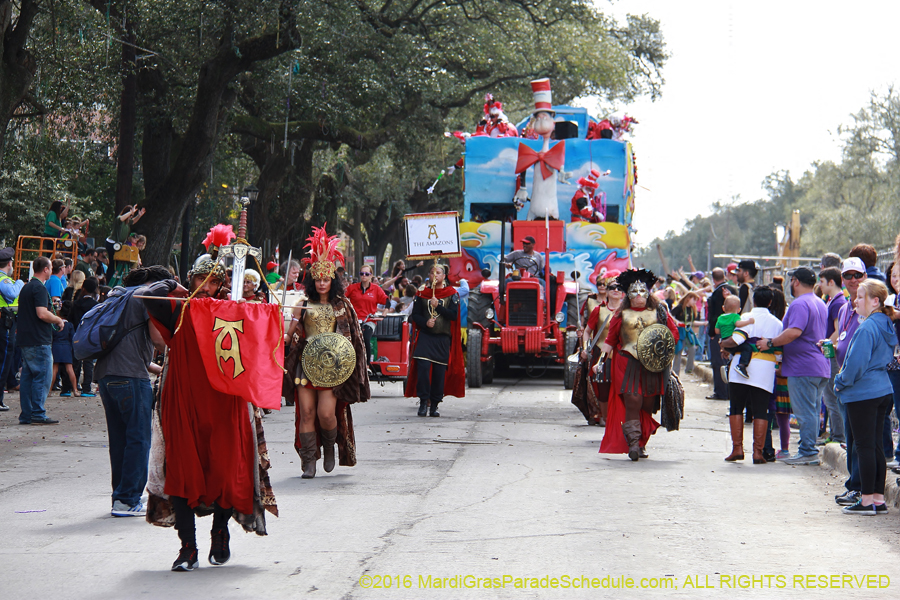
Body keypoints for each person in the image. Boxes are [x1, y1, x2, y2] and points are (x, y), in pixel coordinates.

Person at [141, 256, 278, 571]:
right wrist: (175, 286)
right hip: (182, 400)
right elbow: (152, 294)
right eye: (199, 279)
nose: (205, 286)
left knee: (225, 469)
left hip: (225, 402)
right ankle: (187, 547)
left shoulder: (235, 311)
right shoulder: (179, 307)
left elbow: (262, 339)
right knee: (181, 469)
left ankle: (220, 530)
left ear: (222, 285)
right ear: (190, 281)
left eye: (213, 281)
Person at [284, 226, 369, 479]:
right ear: (312, 281)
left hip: (332, 366)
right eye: (318, 279)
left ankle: (330, 445)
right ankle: (309, 461)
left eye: (326, 279)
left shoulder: (342, 306)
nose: (322, 283)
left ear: (332, 281)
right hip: (304, 364)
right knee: (307, 413)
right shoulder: (301, 304)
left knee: (326, 414)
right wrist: (284, 334)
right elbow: (290, 337)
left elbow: (354, 340)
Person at [95, 267, 170, 517]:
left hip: (107, 376)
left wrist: (162, 370)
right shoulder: (147, 296)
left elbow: (131, 347)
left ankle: (120, 498)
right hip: (131, 378)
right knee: (138, 439)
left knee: (120, 440)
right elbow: (158, 340)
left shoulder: (119, 296)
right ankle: (128, 500)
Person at [597, 269, 678, 461]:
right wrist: (600, 362)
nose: (639, 296)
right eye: (634, 292)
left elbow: (672, 334)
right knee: (633, 400)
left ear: (648, 293)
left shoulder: (659, 312)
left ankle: (642, 442)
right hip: (627, 362)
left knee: (647, 404)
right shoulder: (621, 314)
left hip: (652, 365)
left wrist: (664, 352)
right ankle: (633, 443)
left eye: (643, 291)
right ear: (628, 294)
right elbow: (610, 340)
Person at [833, 279, 898, 515]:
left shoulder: (868, 326)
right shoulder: (884, 323)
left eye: (860, 297)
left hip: (863, 393)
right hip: (882, 390)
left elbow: (855, 366)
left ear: (875, 301)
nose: (855, 300)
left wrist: (839, 382)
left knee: (864, 447)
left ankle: (867, 500)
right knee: (875, 447)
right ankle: (877, 499)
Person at [758, 267, 830, 465]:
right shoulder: (820, 303)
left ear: (796, 281)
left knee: (805, 412)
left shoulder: (799, 304)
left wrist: (770, 342)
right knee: (812, 411)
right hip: (818, 366)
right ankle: (808, 448)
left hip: (803, 367)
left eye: (792, 281)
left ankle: (807, 451)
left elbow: (794, 332)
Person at [721, 287, 783, 463]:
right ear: (770, 302)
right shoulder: (777, 323)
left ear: (753, 301)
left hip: (741, 366)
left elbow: (736, 340)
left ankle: (737, 449)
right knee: (761, 411)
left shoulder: (745, 317)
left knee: (736, 407)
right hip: (765, 368)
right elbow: (779, 352)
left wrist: (723, 345)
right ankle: (758, 453)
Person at [405, 263, 464, 417]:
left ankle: (435, 404)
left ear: (444, 276)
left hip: (442, 338)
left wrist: (438, 306)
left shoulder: (452, 294)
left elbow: (453, 315)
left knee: (439, 373)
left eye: (438, 273)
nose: (435, 275)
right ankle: (423, 401)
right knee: (423, 368)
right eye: (432, 272)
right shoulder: (422, 293)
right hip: (425, 336)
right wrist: (425, 323)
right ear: (429, 276)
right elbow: (415, 315)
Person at [17, 257, 67, 425]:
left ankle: (27, 414)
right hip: (39, 339)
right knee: (43, 375)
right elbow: (42, 313)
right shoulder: (39, 288)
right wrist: (58, 320)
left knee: (28, 377)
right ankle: (38, 412)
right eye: (51, 267)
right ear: (45, 269)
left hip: (26, 339)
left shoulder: (26, 287)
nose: (51, 269)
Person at [572, 274, 623, 426]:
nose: (615, 290)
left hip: (622, 356)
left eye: (619, 288)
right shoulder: (598, 310)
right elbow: (587, 331)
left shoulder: (628, 312)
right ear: (606, 292)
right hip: (601, 355)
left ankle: (620, 417)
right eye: (612, 287)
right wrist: (586, 349)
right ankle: (605, 417)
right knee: (602, 391)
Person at [817, 266, 847, 445]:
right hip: (831, 352)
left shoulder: (837, 302)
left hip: (833, 354)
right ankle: (835, 433)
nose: (819, 285)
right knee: (829, 396)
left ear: (831, 282)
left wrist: (826, 343)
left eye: (821, 281)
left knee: (831, 396)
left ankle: (838, 436)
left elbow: (838, 330)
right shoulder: (832, 300)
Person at [345, 265, 389, 366]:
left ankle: (367, 365)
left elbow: (387, 302)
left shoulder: (376, 289)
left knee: (365, 337)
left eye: (367, 274)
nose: (364, 276)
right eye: (362, 273)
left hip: (369, 320)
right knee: (350, 338)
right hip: (355, 319)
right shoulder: (352, 288)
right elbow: (341, 298)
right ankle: (350, 363)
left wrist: (383, 315)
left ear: (371, 275)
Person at [0, 247, 25, 411]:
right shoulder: (3, 279)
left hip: (5, 322)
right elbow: (11, 293)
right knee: (3, 361)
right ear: (9, 263)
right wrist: (20, 282)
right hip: (4, 323)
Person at [66, 277, 99, 397]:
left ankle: (72, 385)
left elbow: (70, 319)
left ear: (83, 288)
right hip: (91, 336)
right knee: (89, 362)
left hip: (77, 334)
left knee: (75, 361)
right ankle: (86, 387)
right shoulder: (96, 306)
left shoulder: (76, 304)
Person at [706, 267, 736, 400]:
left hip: (719, 332)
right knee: (727, 362)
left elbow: (713, 316)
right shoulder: (733, 290)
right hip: (732, 332)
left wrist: (712, 332)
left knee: (718, 362)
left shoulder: (717, 294)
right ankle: (729, 391)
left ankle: (721, 392)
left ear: (713, 279)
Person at [716, 295, 755, 379]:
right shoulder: (735, 316)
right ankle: (742, 365)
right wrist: (748, 322)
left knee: (734, 353)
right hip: (732, 341)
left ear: (723, 308)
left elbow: (717, 331)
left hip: (724, 341)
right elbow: (738, 324)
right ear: (739, 310)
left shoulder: (720, 318)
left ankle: (728, 367)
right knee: (747, 348)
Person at [671, 291, 703, 378]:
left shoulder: (692, 309)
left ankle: (689, 369)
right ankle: (675, 373)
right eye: (694, 300)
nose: (695, 302)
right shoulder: (680, 307)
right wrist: (676, 322)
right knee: (678, 351)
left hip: (688, 331)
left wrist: (704, 323)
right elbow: (670, 315)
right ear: (688, 298)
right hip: (680, 331)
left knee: (692, 348)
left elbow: (692, 322)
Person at [51, 301, 79, 398]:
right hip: (66, 347)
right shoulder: (70, 325)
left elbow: (52, 336)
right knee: (70, 369)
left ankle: (49, 391)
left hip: (56, 346)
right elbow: (73, 337)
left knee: (54, 369)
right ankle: (75, 389)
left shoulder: (54, 325)